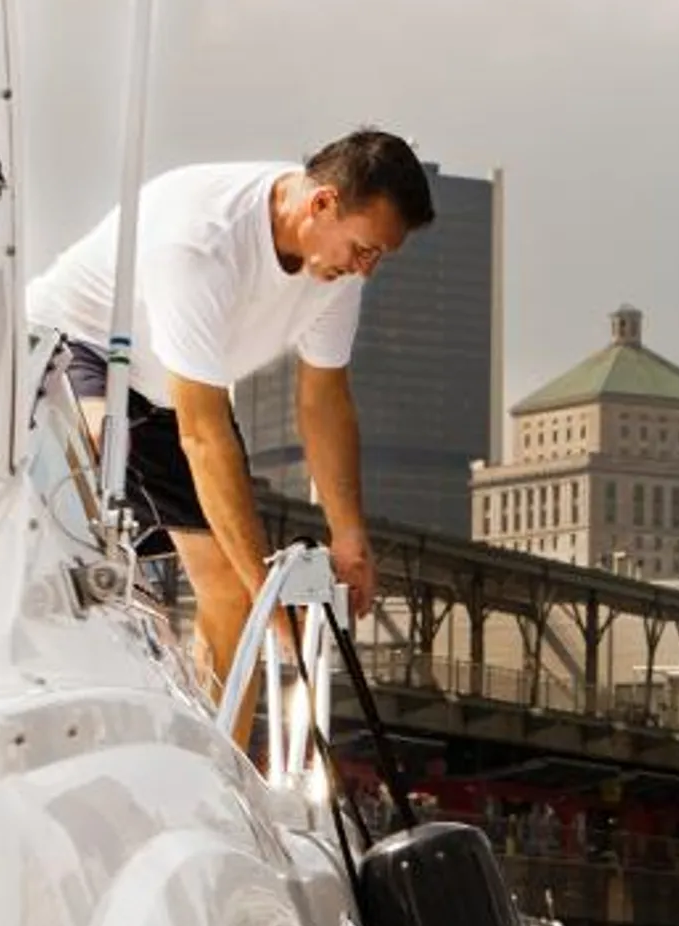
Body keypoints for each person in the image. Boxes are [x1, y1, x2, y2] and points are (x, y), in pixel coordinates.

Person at [27, 128, 435, 735]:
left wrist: (349, 536)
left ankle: (221, 763)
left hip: (171, 389)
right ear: (322, 203)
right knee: (93, 512)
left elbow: (323, 399)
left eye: (378, 257)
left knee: (233, 597)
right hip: (79, 351)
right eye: (364, 249)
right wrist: (273, 600)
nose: (366, 270)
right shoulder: (201, 242)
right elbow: (202, 435)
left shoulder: (338, 269)